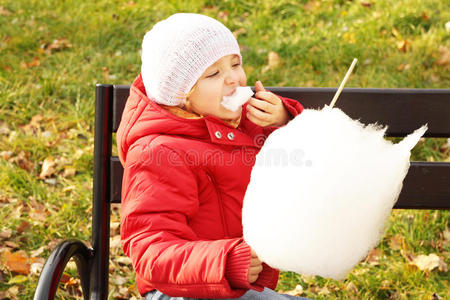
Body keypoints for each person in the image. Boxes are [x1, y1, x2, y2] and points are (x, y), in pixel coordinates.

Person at [117, 13, 308, 300]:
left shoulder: (246, 121)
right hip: (180, 291)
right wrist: (225, 262)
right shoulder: (158, 153)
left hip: (231, 287)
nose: (233, 78)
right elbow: (149, 248)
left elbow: (310, 155)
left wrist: (285, 120)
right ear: (182, 95)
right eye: (213, 74)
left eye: (235, 63)